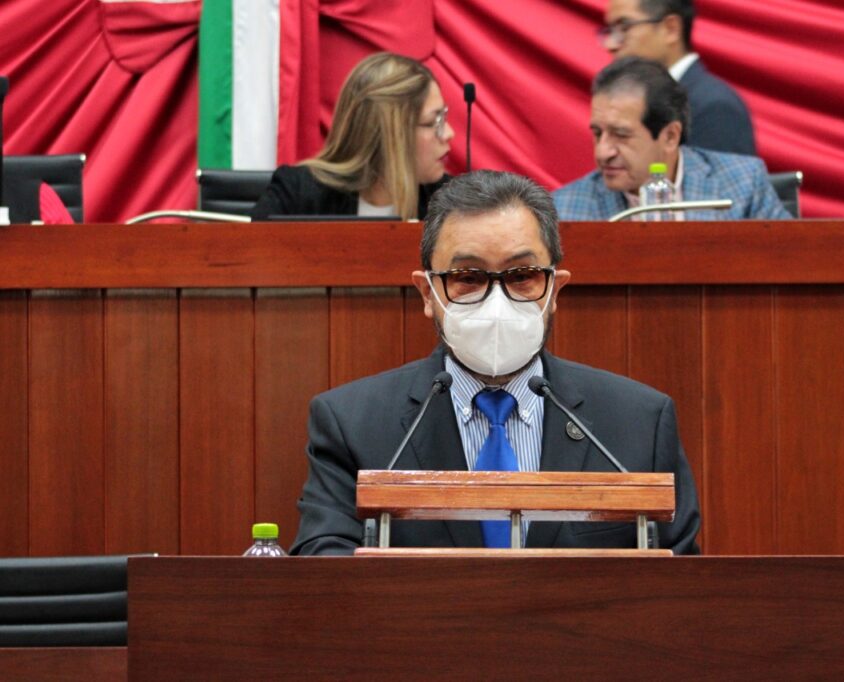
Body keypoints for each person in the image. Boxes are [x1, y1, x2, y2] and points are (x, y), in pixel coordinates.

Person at [291, 170, 701, 555]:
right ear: (428, 293)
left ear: (554, 290)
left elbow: (681, 581)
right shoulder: (353, 424)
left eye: (522, 276)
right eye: (468, 278)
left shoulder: (638, 422)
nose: (496, 300)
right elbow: (328, 569)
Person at [554, 57, 789, 221]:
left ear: (670, 136)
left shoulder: (743, 184)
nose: (602, 152)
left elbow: (792, 264)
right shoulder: (566, 211)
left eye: (621, 135)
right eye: (598, 133)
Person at [251, 52, 453, 221]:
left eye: (443, 117)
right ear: (388, 134)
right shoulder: (296, 194)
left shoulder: (452, 203)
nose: (449, 133)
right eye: (432, 122)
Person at [600, 0, 755, 156]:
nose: (610, 44)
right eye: (610, 31)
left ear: (671, 29)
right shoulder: (643, 101)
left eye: (624, 27)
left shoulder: (714, 107)